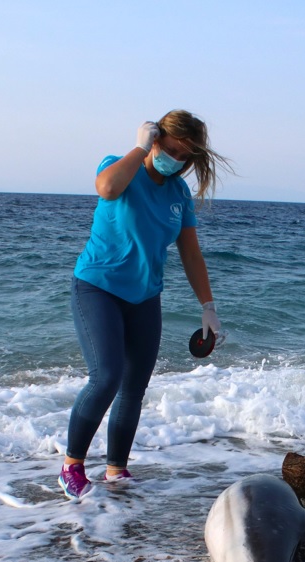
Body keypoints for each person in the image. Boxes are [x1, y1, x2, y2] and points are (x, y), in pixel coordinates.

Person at [59, 110, 231, 499]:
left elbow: (191, 254)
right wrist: (139, 148)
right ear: (155, 140)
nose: (176, 161)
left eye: (184, 157)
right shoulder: (120, 166)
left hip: (145, 296)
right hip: (97, 287)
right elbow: (106, 188)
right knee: (106, 376)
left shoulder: (178, 195)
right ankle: (71, 466)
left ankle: (116, 470)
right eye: (170, 150)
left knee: (134, 387)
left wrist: (208, 306)